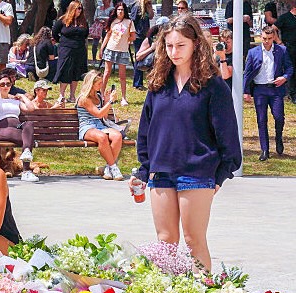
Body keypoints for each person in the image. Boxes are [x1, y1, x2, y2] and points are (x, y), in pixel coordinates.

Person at [133, 14, 241, 272]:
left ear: (196, 44)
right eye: (169, 45)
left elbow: (227, 135)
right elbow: (146, 132)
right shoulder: (157, 84)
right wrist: (143, 171)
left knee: (194, 241)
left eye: (181, 45)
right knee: (165, 242)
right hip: (161, 174)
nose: (174, 51)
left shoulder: (213, 86)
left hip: (198, 173)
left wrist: (221, 174)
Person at [244, 25, 293, 160]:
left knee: (279, 117)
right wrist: (246, 91)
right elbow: (247, 73)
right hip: (260, 89)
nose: (266, 41)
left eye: (269, 39)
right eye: (264, 38)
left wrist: (284, 77)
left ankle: (278, 138)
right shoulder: (253, 52)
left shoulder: (281, 50)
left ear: (273, 38)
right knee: (261, 120)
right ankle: (264, 150)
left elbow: (289, 68)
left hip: (275, 89)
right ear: (261, 37)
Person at [0, 71, 38, 181]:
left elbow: (31, 108)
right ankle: (26, 170)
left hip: (18, 127)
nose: (5, 86)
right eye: (2, 84)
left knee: (29, 124)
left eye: (8, 84)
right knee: (28, 140)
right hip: (5, 129)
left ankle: (27, 153)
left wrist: (23, 97)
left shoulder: (14, 100)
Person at [77, 70, 124, 180]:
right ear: (91, 84)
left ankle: (108, 168)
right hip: (87, 127)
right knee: (102, 137)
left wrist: (106, 101)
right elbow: (98, 114)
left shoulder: (98, 96)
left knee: (117, 136)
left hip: (99, 125)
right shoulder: (84, 98)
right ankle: (114, 167)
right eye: (99, 83)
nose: (101, 85)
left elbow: (104, 117)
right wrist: (110, 102)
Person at [99, 2, 135, 106]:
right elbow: (107, 36)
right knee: (106, 72)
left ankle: (123, 98)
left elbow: (133, 36)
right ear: (116, 10)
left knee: (122, 75)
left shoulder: (129, 22)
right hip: (110, 48)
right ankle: (101, 94)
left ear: (125, 11)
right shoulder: (112, 21)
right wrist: (102, 48)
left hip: (123, 50)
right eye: (119, 9)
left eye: (122, 10)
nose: (120, 11)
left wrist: (126, 38)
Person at [53, 0, 88, 104]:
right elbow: (55, 32)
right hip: (66, 49)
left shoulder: (83, 22)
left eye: (81, 9)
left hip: (79, 50)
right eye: (78, 8)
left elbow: (86, 34)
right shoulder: (63, 20)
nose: (80, 11)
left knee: (76, 72)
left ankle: (72, 95)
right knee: (65, 71)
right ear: (72, 9)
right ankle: (62, 95)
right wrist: (62, 42)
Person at [130, 0, 154, 90]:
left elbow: (151, 17)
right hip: (138, 36)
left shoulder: (147, 6)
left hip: (145, 36)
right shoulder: (137, 6)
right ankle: (137, 83)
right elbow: (132, 21)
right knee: (139, 58)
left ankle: (141, 82)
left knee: (145, 58)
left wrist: (150, 7)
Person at [278, 0, 296, 103]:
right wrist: (280, 43)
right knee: (291, 69)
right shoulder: (284, 17)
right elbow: (273, 28)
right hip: (290, 47)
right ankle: (292, 94)